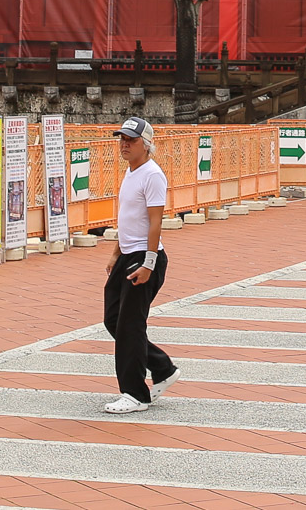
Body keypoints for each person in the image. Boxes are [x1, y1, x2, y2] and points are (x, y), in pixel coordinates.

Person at [101, 116, 179, 414]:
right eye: (121, 139)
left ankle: (135, 394)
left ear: (145, 145)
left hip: (145, 258)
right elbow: (129, 220)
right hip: (127, 255)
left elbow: (155, 223)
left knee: (130, 326)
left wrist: (148, 263)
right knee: (114, 319)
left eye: (130, 140)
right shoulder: (130, 172)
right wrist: (115, 253)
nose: (124, 145)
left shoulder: (152, 174)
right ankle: (162, 367)